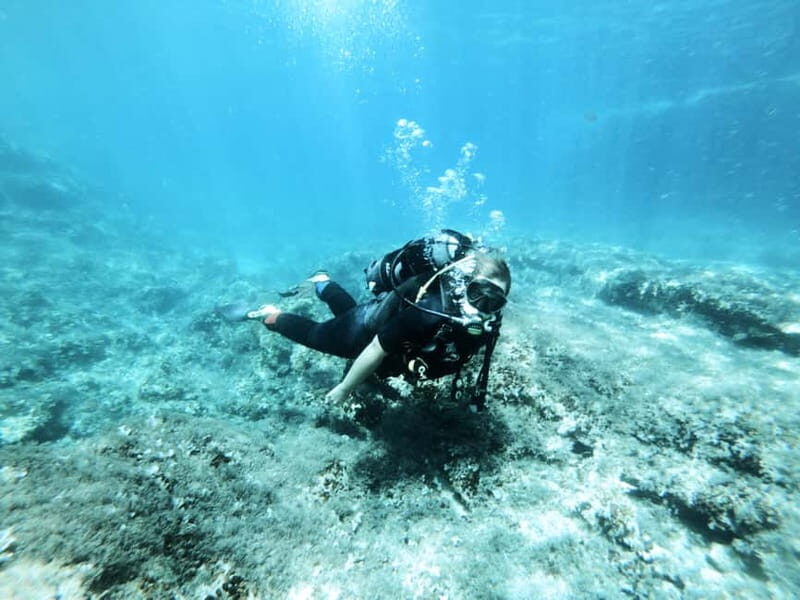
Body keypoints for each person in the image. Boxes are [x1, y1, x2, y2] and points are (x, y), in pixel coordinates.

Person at [245, 230, 511, 410]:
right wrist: (344, 388)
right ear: (465, 285)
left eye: (493, 302)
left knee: (347, 315)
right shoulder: (429, 311)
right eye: (477, 295)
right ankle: (271, 315)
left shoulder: (485, 325)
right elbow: (376, 348)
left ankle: (323, 282)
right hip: (366, 329)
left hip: (387, 321)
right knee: (319, 336)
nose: (481, 309)